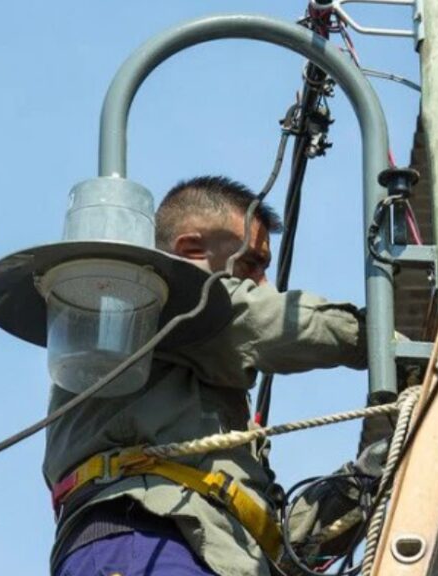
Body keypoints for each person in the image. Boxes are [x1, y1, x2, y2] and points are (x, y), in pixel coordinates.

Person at [44, 175, 370, 576]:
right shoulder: (160, 306)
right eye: (251, 264)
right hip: (145, 538)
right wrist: (392, 341)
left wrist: (362, 483)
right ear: (191, 251)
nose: (264, 285)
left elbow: (276, 538)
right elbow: (273, 323)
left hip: (185, 549)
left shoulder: (196, 418)